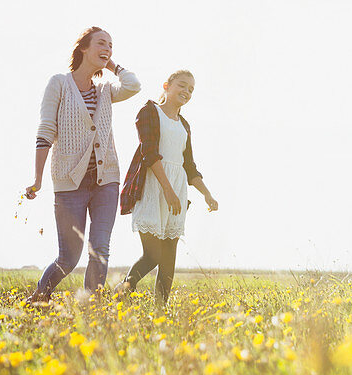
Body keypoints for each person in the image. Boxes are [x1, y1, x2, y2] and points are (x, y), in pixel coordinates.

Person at [24, 26, 141, 304]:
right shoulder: (59, 83)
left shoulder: (106, 90)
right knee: (69, 257)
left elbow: (133, 85)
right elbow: (45, 131)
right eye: (101, 43)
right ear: (83, 48)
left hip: (106, 181)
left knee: (100, 248)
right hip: (69, 182)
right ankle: (40, 297)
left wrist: (110, 63)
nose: (108, 48)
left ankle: (91, 305)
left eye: (111, 45)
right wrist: (38, 179)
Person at [115, 70, 218, 310]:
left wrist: (207, 194)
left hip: (178, 191)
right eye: (182, 85)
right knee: (153, 255)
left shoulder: (184, 125)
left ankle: (161, 309)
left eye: (191, 89)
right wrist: (168, 191)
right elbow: (149, 154)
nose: (187, 92)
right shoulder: (149, 112)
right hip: (153, 188)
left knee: (169, 256)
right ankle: (124, 289)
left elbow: (189, 166)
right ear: (167, 86)